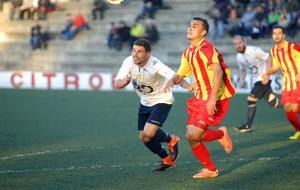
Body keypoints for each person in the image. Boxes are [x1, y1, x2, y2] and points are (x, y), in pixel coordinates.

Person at [165, 17, 235, 179]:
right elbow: (181, 74)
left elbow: (217, 71)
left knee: (195, 134)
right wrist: (172, 80)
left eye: (194, 27)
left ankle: (217, 144)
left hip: (209, 97)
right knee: (191, 136)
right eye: (189, 26)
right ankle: (213, 161)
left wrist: (212, 99)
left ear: (203, 32)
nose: (190, 29)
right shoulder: (188, 52)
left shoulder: (206, 48)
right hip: (198, 98)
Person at [114, 38, 180, 172]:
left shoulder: (155, 64)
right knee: (144, 137)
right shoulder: (128, 61)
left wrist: (172, 81)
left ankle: (171, 139)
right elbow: (117, 81)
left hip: (162, 100)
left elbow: (173, 75)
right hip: (145, 102)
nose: (135, 54)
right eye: (133, 50)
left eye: (139, 51)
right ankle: (166, 159)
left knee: (149, 132)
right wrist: (122, 84)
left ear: (148, 54)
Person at [233, 35, 280, 133]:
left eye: (240, 43)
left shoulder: (253, 50)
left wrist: (267, 74)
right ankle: (293, 104)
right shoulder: (239, 57)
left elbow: (268, 58)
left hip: (262, 78)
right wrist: (242, 81)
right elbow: (242, 70)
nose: (238, 45)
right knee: (274, 103)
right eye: (236, 44)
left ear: (244, 42)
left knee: (251, 99)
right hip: (257, 81)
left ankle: (247, 126)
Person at [262, 25, 300, 140]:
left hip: (298, 82)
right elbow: (277, 65)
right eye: (274, 34)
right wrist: (267, 73)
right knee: (287, 108)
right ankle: (298, 130)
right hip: (286, 83)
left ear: (284, 35)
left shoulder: (293, 47)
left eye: (279, 33)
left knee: (294, 107)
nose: (277, 36)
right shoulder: (273, 50)